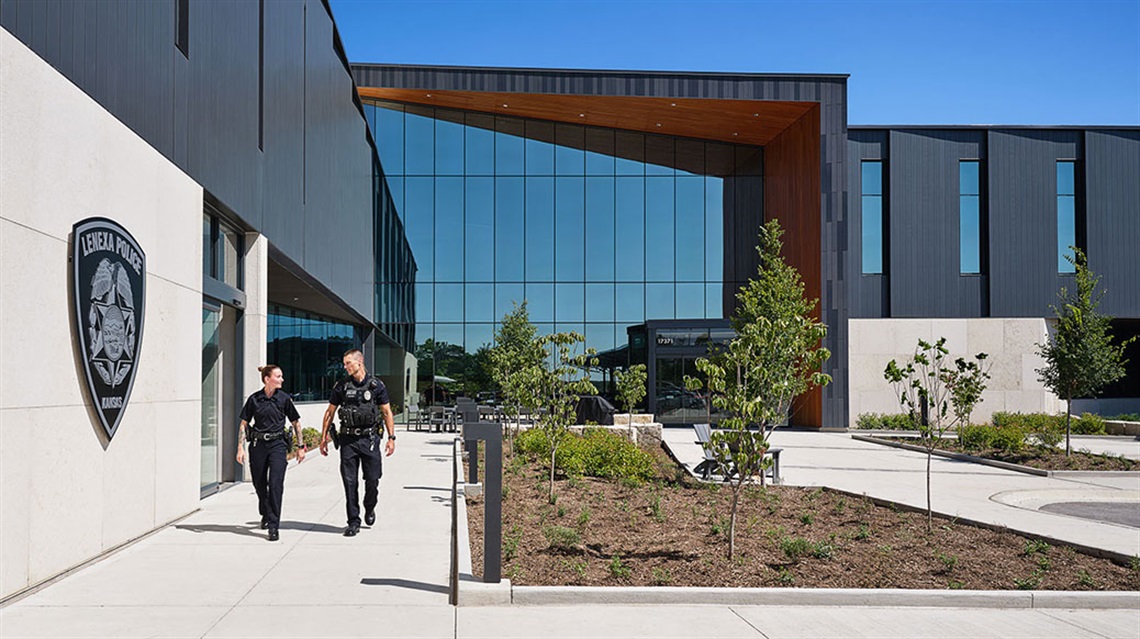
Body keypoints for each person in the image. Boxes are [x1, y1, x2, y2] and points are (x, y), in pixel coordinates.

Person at [320, 348, 396, 537]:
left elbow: (386, 412)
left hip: (369, 439)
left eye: (348, 363)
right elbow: (330, 412)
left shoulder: (376, 385)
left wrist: (391, 438)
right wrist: (323, 438)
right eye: (344, 364)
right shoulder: (342, 386)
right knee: (349, 482)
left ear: (359, 362)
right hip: (348, 440)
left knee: (372, 479)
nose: (345, 367)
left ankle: (369, 507)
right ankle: (353, 521)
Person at [236, 365, 304, 542]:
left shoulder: (284, 399)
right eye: (278, 376)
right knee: (260, 485)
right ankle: (265, 512)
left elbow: (295, 423)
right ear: (267, 379)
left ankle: (274, 526)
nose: (282, 379)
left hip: (278, 445)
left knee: (275, 484)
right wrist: (240, 447)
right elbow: (244, 424)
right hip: (258, 445)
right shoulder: (254, 399)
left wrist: (301, 446)